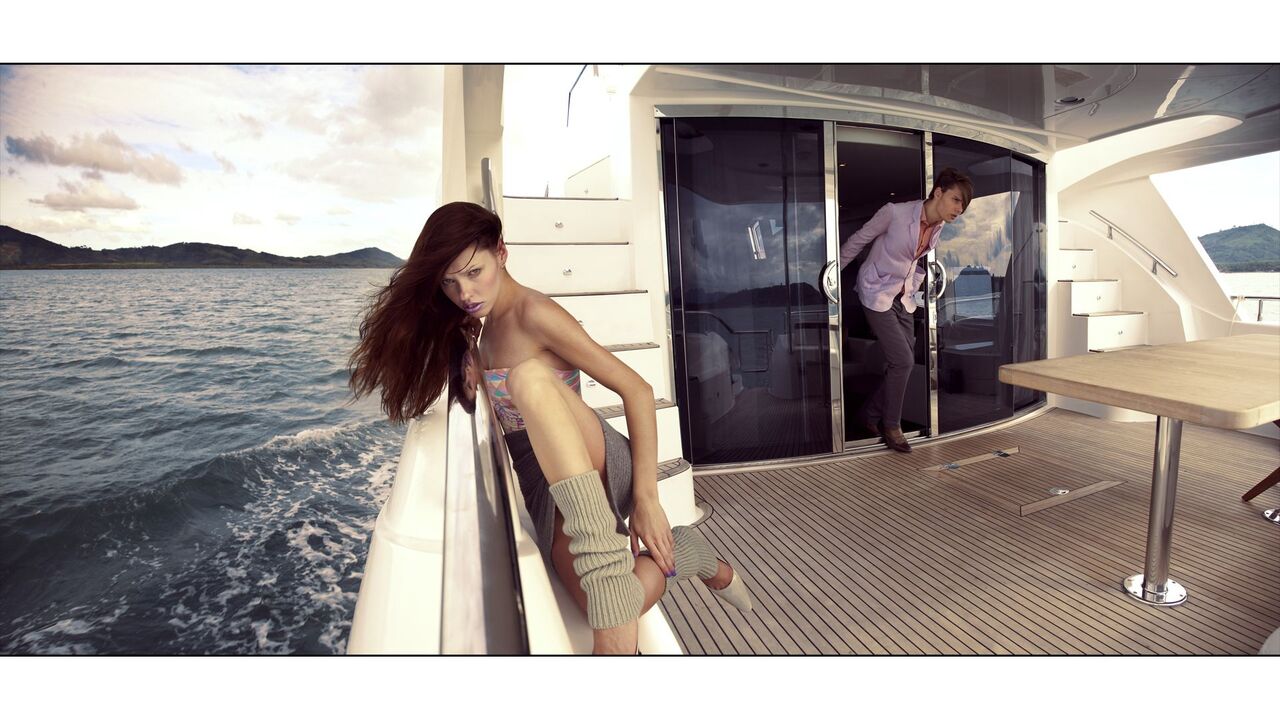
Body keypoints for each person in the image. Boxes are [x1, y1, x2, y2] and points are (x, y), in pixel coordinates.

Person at [349, 201, 752, 654]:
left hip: (595, 462)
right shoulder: (480, 326)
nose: (465, 292)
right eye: (449, 282)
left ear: (501, 253)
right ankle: (688, 550)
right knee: (600, 607)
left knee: (529, 377)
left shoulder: (534, 313)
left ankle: (610, 580)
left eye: (474, 272)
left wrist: (646, 498)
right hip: (544, 481)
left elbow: (637, 390)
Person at [838, 168, 972, 453]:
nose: (959, 209)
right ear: (938, 192)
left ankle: (868, 415)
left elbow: (914, 260)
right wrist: (833, 274)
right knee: (903, 360)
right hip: (876, 291)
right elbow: (859, 239)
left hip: (904, 297)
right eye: (956, 200)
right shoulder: (895, 213)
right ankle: (891, 426)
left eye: (963, 205)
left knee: (902, 362)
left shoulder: (938, 226)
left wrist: (913, 288)